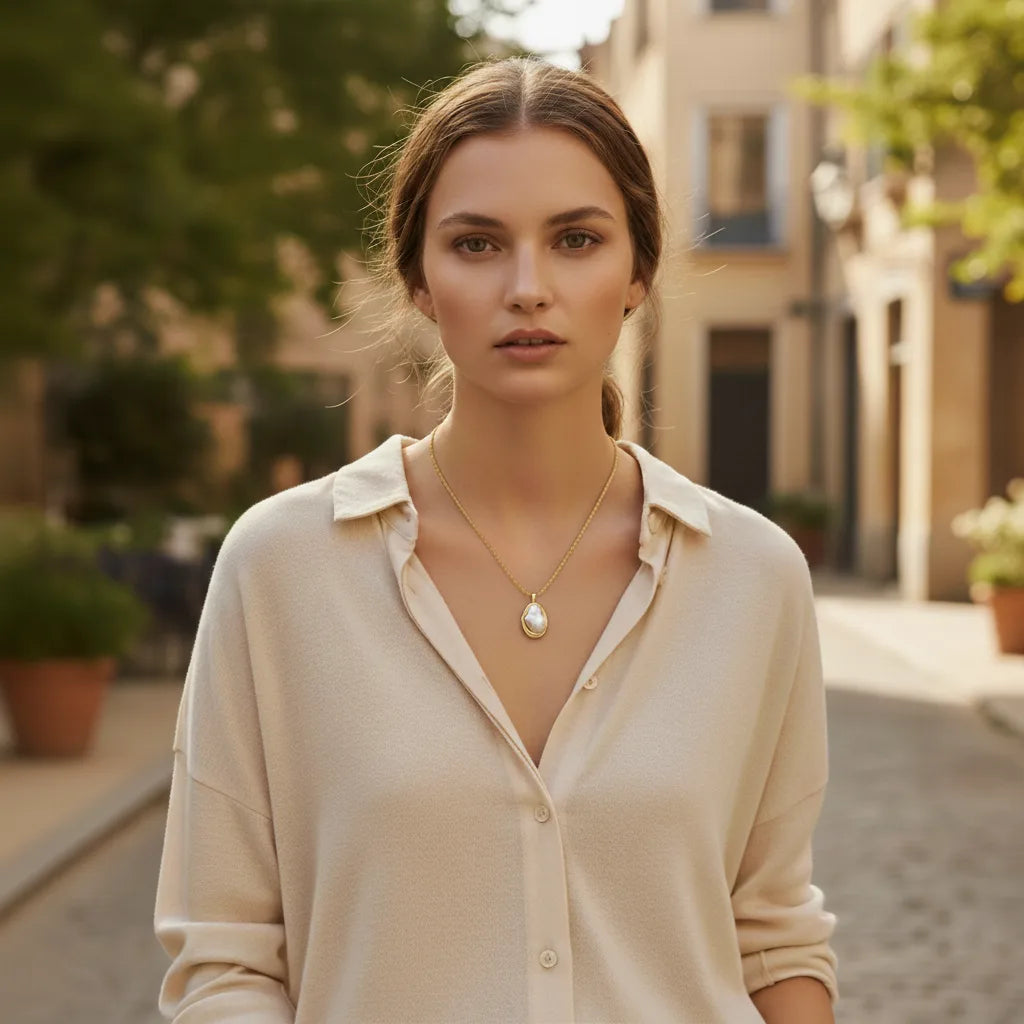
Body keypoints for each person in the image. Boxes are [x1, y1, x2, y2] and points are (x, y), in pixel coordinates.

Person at [154, 56, 838, 1023]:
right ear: (419, 280)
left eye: (576, 240)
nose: (528, 287)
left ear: (638, 271)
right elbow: (223, 961)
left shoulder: (754, 576)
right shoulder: (281, 568)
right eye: (476, 244)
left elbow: (774, 937)